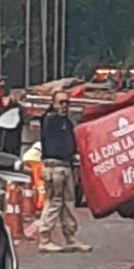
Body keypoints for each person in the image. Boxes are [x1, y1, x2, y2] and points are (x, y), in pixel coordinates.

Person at [36, 90, 91, 253]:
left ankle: (70, 237)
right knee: (54, 202)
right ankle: (45, 238)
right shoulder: (51, 119)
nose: (65, 105)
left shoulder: (65, 122)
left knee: (68, 203)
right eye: (61, 102)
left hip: (65, 165)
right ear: (53, 104)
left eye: (67, 102)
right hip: (54, 166)